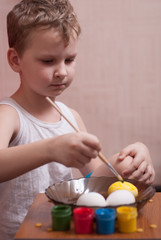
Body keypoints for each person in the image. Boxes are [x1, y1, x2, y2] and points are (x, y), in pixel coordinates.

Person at [0, 0, 155, 239]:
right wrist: (51, 149)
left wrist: (127, 162)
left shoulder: (70, 117)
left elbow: (93, 182)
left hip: (63, 232)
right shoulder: (9, 114)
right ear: (15, 60)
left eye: (69, 60)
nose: (62, 71)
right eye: (48, 61)